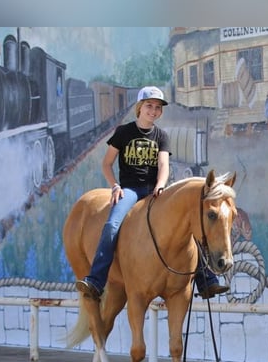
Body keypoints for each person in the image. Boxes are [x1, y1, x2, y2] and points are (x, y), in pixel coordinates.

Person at [75, 86, 230, 301]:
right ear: (140, 107)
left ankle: (207, 281)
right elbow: (106, 164)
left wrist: (160, 184)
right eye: (149, 106)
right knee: (111, 226)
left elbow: (164, 164)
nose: (153, 110)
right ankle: (96, 280)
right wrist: (114, 186)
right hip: (130, 190)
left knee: (190, 226)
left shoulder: (161, 136)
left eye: (157, 107)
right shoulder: (123, 133)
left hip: (154, 191)